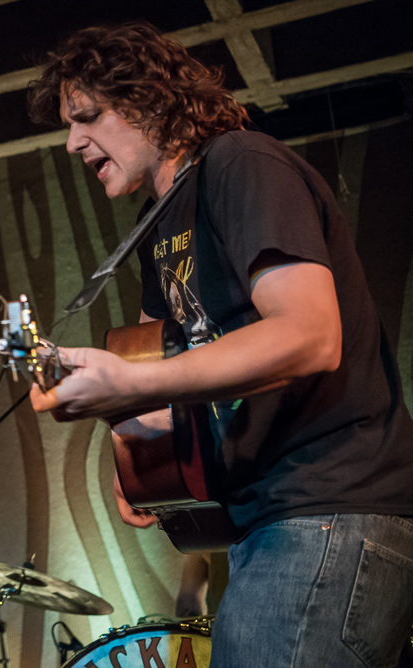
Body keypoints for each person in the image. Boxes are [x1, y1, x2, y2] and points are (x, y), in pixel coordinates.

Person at [27, 23, 413, 667]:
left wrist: (133, 386)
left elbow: (309, 336)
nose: (71, 143)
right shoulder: (160, 224)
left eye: (87, 116)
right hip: (274, 521)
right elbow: (169, 369)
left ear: (150, 99)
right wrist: (137, 445)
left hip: (330, 508)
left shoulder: (241, 162)